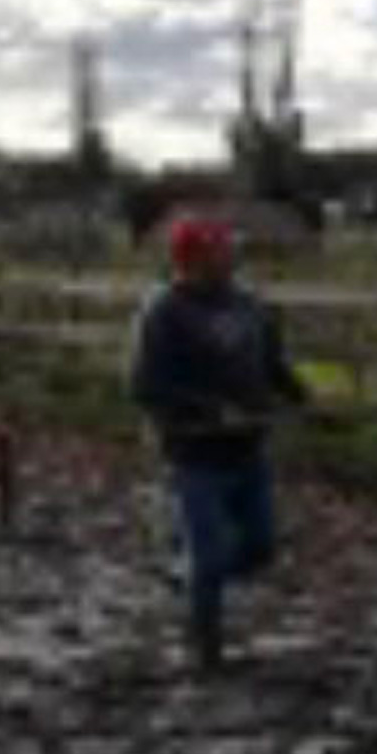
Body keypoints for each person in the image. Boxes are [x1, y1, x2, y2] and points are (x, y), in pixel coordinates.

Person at [128, 213, 310, 670]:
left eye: (229, 248)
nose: (231, 256)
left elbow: (270, 361)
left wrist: (296, 392)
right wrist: (207, 410)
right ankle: (206, 646)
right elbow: (146, 386)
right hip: (195, 453)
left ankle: (190, 578)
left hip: (248, 446)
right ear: (191, 259)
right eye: (220, 249)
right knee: (209, 556)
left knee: (261, 547)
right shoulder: (165, 312)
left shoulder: (249, 304)